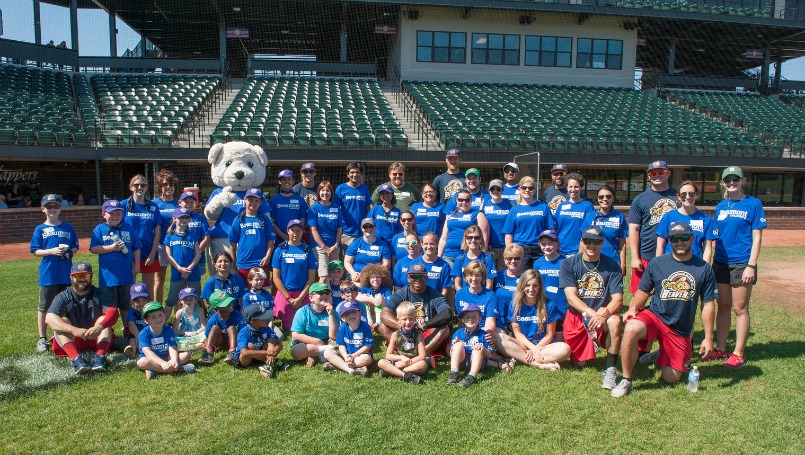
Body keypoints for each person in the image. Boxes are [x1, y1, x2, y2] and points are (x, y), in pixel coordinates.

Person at [611, 221, 717, 397]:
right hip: (655, 316)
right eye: (674, 238)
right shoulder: (657, 263)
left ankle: (660, 354)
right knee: (631, 329)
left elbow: (707, 305)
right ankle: (626, 380)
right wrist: (632, 309)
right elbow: (643, 290)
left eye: (684, 237)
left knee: (671, 378)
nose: (679, 242)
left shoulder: (704, 269)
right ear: (669, 240)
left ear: (692, 238)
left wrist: (708, 337)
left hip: (679, 328)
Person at [710, 166, 766, 368]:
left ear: (743, 181)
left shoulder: (753, 204)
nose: (731, 182)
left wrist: (751, 265)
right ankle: (722, 349)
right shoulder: (721, 206)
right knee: (723, 306)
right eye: (727, 180)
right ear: (723, 183)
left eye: (735, 179)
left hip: (742, 262)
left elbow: (757, 236)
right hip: (721, 262)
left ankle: (738, 353)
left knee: (740, 308)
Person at [559, 226, 624, 390]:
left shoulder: (612, 266)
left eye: (596, 242)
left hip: (604, 315)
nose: (591, 245)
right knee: (579, 363)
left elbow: (618, 299)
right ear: (582, 241)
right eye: (588, 241)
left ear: (602, 243)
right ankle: (590, 341)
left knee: (615, 321)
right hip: (578, 316)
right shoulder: (569, 264)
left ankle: (610, 369)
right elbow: (571, 297)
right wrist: (593, 314)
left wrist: (604, 315)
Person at [45, 262, 118, 374]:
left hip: (96, 338)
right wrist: (74, 330)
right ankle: (77, 360)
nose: (82, 279)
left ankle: (99, 358)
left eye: (86, 276)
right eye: (78, 276)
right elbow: (49, 318)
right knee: (62, 322)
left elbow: (113, 313)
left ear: (91, 277)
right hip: (73, 339)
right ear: (71, 277)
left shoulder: (100, 293)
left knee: (103, 320)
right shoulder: (63, 296)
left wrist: (99, 327)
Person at [30, 193, 79, 353]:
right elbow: (35, 251)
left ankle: (62, 333)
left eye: (56, 206)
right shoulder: (40, 229)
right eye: (49, 206)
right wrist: (51, 251)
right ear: (43, 209)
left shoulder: (67, 227)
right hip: (49, 274)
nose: (53, 209)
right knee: (44, 306)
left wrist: (69, 252)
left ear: (60, 208)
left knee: (66, 306)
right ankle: (42, 338)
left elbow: (75, 246)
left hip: (65, 272)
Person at [498, 269, 572, 370]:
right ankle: (538, 364)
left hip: (543, 346)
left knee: (565, 349)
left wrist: (535, 349)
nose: (531, 289)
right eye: (527, 285)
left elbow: (549, 335)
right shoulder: (515, 305)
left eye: (535, 285)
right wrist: (531, 348)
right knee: (498, 337)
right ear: (522, 286)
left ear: (540, 286)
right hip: (523, 344)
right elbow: (518, 333)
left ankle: (519, 357)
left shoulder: (549, 305)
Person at [379, 263, 453, 363]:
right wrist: (405, 327)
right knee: (382, 326)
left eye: (421, 276)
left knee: (445, 328)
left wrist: (425, 324)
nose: (417, 279)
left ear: (426, 278)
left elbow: (447, 314)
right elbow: (384, 314)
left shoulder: (435, 294)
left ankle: (420, 354)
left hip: (425, 332)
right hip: (405, 332)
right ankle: (406, 353)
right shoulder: (401, 293)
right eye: (414, 276)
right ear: (408, 278)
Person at [627, 161, 678, 295]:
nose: (656, 175)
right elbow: (634, 229)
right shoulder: (640, 199)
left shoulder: (679, 197)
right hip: (646, 254)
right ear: (648, 176)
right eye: (652, 173)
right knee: (638, 295)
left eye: (660, 172)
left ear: (668, 174)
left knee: (667, 294)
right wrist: (635, 257)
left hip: (673, 254)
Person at [89, 200, 141, 328]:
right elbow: (93, 248)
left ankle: (127, 328)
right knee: (109, 308)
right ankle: (108, 331)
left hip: (126, 275)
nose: (115, 216)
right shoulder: (100, 229)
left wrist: (137, 264)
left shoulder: (128, 227)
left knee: (125, 305)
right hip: (108, 278)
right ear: (104, 214)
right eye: (111, 213)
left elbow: (136, 247)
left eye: (118, 213)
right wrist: (111, 248)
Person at [272, 219, 317, 331]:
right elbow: (275, 277)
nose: (295, 233)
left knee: (305, 327)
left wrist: (300, 298)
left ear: (303, 232)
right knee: (288, 328)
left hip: (303, 293)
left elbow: (311, 278)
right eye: (293, 230)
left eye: (299, 230)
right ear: (288, 231)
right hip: (286, 293)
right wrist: (289, 298)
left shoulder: (307, 250)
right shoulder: (280, 250)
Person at [121, 174, 161, 300]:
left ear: (146, 187)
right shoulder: (123, 205)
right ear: (131, 187)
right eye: (136, 185)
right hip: (129, 252)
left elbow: (157, 232)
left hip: (148, 251)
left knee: (147, 288)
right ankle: (132, 316)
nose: (139, 187)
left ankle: (149, 317)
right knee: (130, 288)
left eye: (142, 185)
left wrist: (152, 253)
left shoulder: (153, 207)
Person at [656, 181, 716, 262]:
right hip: (670, 263)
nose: (687, 197)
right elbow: (660, 245)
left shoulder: (705, 219)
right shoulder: (668, 217)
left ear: (696, 195)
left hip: (695, 264)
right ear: (678, 197)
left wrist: (705, 269)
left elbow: (707, 248)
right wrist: (658, 265)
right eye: (683, 194)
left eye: (691, 194)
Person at [503, 176, 555, 267]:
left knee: (539, 278)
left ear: (534, 190)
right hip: (520, 249)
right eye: (524, 188)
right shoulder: (514, 210)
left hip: (540, 248)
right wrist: (509, 252)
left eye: (530, 188)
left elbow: (551, 230)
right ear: (519, 189)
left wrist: (553, 248)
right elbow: (508, 234)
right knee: (523, 279)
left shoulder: (543, 207)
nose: (527, 190)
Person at [136, 301, 194, 379]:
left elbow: (172, 347)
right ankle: (179, 369)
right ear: (146, 320)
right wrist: (162, 363)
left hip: (167, 357)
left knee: (186, 355)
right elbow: (148, 352)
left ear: (164, 315)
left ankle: (155, 371)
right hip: (151, 359)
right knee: (142, 362)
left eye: (160, 315)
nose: (158, 319)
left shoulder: (169, 330)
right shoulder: (143, 334)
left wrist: (174, 360)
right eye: (153, 317)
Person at [229, 188, 276, 282]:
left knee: (261, 292)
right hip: (243, 263)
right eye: (250, 200)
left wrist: (267, 257)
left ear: (260, 202)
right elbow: (232, 243)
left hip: (261, 263)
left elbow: (270, 240)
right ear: (245, 199)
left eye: (256, 201)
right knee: (244, 293)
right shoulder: (238, 220)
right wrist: (233, 261)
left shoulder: (264, 219)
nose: (253, 203)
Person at [580, 185, 628, 275]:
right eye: (601, 197)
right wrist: (579, 260)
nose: (605, 199)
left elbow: (622, 243)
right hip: (592, 260)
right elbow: (582, 240)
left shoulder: (619, 216)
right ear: (598, 199)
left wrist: (623, 263)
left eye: (608, 196)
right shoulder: (590, 216)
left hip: (612, 260)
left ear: (613, 198)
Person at [164, 207, 203, 316]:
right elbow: (168, 256)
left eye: (186, 217)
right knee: (171, 300)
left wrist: (189, 268)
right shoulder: (169, 237)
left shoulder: (192, 236)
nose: (184, 220)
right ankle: (161, 326)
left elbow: (198, 254)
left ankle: (201, 324)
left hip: (192, 273)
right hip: (177, 273)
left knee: (197, 299)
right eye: (181, 217)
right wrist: (179, 268)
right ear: (175, 219)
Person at [289, 282, 339, 367]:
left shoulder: (334, 313)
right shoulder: (302, 312)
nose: (324, 295)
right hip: (306, 343)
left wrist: (331, 315)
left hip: (327, 342)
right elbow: (295, 335)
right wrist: (317, 341)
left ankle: (316, 356)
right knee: (297, 351)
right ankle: (326, 356)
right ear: (311, 298)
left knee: (345, 346)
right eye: (320, 293)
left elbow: (333, 336)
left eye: (327, 293)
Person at [377, 301, 427, 383]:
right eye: (404, 319)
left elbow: (422, 356)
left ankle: (394, 372)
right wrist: (401, 358)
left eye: (411, 318)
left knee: (423, 364)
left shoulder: (418, 334)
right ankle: (406, 375)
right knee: (381, 362)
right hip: (399, 361)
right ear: (398, 320)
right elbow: (388, 355)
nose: (408, 322)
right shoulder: (395, 334)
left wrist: (405, 364)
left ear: (415, 318)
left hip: (413, 362)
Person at [439, 188, 490, 266]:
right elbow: (443, 238)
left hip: (468, 256)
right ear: (456, 200)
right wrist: (439, 257)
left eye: (467, 200)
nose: (464, 202)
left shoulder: (478, 215)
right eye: (460, 200)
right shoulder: (450, 215)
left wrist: (481, 257)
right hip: (449, 255)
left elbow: (484, 238)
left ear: (471, 200)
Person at [447, 303, 493, 388]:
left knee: (477, 350)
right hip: (462, 362)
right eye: (467, 317)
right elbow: (449, 352)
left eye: (474, 317)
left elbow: (489, 355)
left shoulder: (484, 335)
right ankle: (454, 372)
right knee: (458, 345)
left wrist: (483, 349)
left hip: (477, 363)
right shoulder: (458, 332)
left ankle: (472, 376)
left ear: (480, 319)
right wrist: (453, 346)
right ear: (463, 320)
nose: (470, 319)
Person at [533, 230, 568, 340]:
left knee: (559, 334)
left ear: (557, 243)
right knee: (544, 332)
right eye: (543, 244)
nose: (547, 247)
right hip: (543, 303)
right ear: (539, 245)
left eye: (550, 243)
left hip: (561, 304)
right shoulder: (538, 263)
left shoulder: (565, 261)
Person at [323, 301, 374, 376]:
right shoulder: (343, 327)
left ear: (359, 313)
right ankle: (350, 370)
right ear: (342, 318)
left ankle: (339, 365)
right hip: (346, 355)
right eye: (347, 314)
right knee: (327, 352)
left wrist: (353, 356)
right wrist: (346, 356)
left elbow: (367, 346)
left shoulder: (365, 326)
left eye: (353, 311)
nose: (351, 315)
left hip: (360, 355)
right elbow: (341, 345)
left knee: (366, 358)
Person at [235, 304, 285, 379]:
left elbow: (279, 343)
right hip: (246, 360)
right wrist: (266, 352)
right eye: (262, 318)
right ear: (253, 322)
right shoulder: (244, 332)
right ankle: (271, 363)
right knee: (250, 346)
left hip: (262, 355)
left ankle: (268, 363)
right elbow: (244, 352)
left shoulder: (266, 328)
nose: (266, 319)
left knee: (271, 340)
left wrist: (271, 354)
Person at [152, 169, 179, 302]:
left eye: (171, 184)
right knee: (159, 280)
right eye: (164, 184)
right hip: (161, 245)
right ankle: (157, 309)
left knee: (179, 279)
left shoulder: (180, 203)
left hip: (177, 246)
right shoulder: (154, 204)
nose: (168, 187)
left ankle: (179, 312)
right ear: (160, 187)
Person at [308, 181, 344, 281]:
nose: (325, 193)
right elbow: (313, 230)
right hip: (319, 247)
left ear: (331, 193)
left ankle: (331, 295)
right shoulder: (314, 208)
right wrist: (324, 247)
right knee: (323, 275)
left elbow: (339, 229)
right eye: (322, 190)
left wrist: (336, 245)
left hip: (334, 248)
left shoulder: (336, 208)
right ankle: (322, 295)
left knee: (334, 275)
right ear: (319, 192)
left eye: (328, 191)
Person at [198, 291, 245, 365]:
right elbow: (207, 336)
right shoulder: (213, 319)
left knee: (231, 327)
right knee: (215, 328)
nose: (231, 304)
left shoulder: (237, 315)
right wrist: (206, 344)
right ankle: (208, 353)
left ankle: (232, 352)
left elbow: (243, 331)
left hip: (233, 342)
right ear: (217, 308)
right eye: (227, 304)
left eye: (230, 302)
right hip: (219, 343)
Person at [554, 173, 594, 257]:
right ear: (567, 187)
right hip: (560, 250)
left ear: (581, 187)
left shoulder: (587, 206)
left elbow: (588, 231)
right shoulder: (561, 206)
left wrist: (581, 251)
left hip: (578, 250)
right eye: (570, 187)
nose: (573, 189)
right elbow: (556, 228)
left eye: (576, 186)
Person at [334, 162, 371, 251]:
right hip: (346, 233)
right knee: (345, 261)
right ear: (348, 174)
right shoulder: (341, 188)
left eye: (357, 172)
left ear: (361, 175)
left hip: (362, 232)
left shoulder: (364, 189)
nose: (355, 175)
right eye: (352, 172)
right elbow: (335, 209)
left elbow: (368, 208)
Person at [451, 226, 497, 291]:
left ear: (481, 239)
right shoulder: (460, 259)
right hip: (464, 298)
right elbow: (457, 285)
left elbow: (489, 285)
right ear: (465, 239)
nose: (473, 240)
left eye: (477, 237)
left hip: (482, 298)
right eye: (470, 237)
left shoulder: (487, 259)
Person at [482, 179, 514, 270]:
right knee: (489, 275)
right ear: (489, 191)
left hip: (505, 246)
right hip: (490, 247)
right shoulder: (484, 205)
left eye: (498, 189)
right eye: (493, 189)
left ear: (502, 191)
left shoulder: (510, 204)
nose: (495, 191)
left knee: (503, 274)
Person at [178, 190, 211, 277]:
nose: (189, 204)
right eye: (186, 201)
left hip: (198, 258)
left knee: (195, 283)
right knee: (181, 283)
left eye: (191, 202)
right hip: (181, 258)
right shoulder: (176, 218)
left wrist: (197, 253)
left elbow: (206, 237)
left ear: (196, 203)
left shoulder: (200, 218)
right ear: (180, 203)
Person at [269, 169, 308, 242]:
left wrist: (296, 236)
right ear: (279, 182)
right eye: (283, 179)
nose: (287, 181)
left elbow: (303, 221)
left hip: (296, 240)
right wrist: (284, 237)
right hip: (279, 241)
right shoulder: (274, 200)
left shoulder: (300, 200)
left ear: (293, 181)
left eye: (289, 179)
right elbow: (272, 223)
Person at [413, 232, 453, 300]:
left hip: (437, 302)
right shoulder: (414, 263)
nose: (429, 247)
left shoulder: (444, 265)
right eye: (426, 244)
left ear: (437, 244)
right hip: (418, 302)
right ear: (421, 244)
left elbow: (445, 290)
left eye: (431, 244)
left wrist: (435, 303)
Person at [493, 244, 525, 323]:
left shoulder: (526, 278)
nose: (513, 261)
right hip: (499, 321)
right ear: (504, 260)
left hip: (519, 321)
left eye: (516, 258)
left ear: (522, 259)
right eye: (509, 258)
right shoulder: (496, 276)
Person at [356, 263, 393, 328]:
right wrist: (371, 300)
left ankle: (378, 323)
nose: (375, 279)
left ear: (382, 279)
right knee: (364, 297)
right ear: (368, 279)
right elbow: (356, 296)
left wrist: (383, 302)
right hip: (369, 312)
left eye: (378, 277)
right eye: (372, 277)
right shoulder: (365, 288)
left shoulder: (386, 290)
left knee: (379, 298)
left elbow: (390, 302)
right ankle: (369, 322)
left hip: (381, 312)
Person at [368, 184, 402, 248]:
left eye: (388, 193)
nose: (385, 195)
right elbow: (368, 225)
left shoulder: (397, 211)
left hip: (392, 244)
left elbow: (400, 230)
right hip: (377, 242)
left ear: (392, 195)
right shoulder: (375, 209)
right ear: (380, 196)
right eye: (383, 193)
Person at [123, 283, 150, 359]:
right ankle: (132, 350)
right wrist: (138, 336)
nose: (141, 303)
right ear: (133, 301)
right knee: (132, 338)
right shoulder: (132, 311)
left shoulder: (150, 309)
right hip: (136, 332)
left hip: (149, 331)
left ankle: (148, 349)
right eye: (138, 301)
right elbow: (131, 324)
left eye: (144, 300)